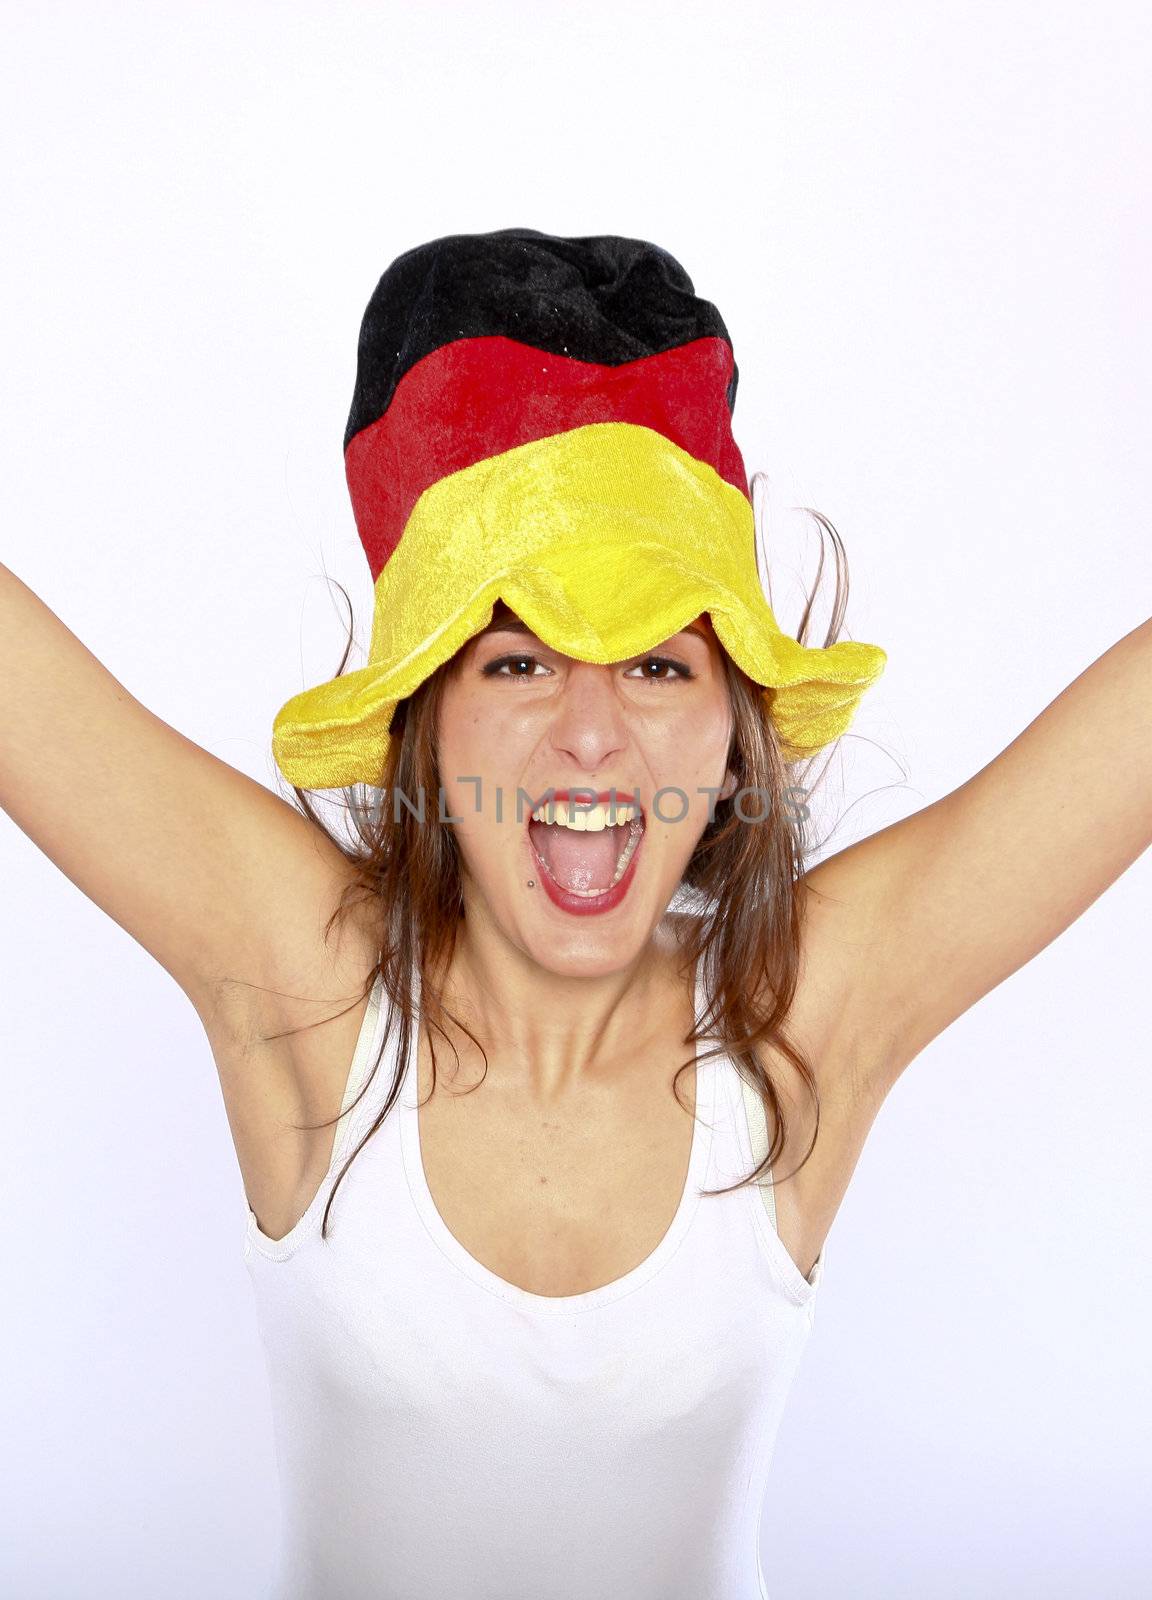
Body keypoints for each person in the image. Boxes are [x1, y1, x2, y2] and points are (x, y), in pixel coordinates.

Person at [2, 228, 1148, 1600]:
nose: (595, 736)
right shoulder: (303, 983)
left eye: (661, 662)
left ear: (734, 734)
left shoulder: (798, 1020)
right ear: (426, 723)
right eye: (520, 656)